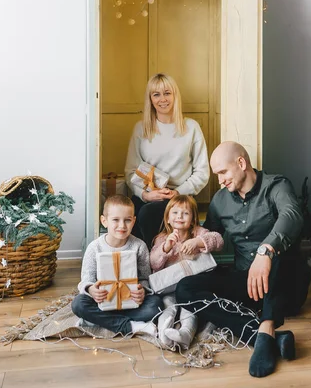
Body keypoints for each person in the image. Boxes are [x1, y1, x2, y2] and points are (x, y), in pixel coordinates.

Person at [175, 142, 310, 378]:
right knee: (185, 289)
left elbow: (292, 215)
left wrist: (265, 251)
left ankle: (268, 325)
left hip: (284, 285)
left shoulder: (277, 185)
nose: (220, 180)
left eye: (223, 172)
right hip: (247, 285)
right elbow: (209, 237)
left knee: (280, 254)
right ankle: (262, 337)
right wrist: (186, 238)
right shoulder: (220, 200)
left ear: (241, 163)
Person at [125, 73, 210, 248]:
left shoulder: (191, 127)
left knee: (147, 214)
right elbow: (130, 171)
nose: (162, 99)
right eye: (156, 94)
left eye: (167, 93)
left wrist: (177, 193)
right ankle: (142, 263)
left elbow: (202, 172)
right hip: (148, 193)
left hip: (180, 196)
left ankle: (158, 260)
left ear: (175, 95)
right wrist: (146, 195)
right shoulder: (141, 128)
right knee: (130, 212)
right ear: (150, 99)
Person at [71, 194, 162, 337]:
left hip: (130, 301)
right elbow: (86, 280)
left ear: (134, 221)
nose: (122, 225)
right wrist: (91, 289)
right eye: (115, 220)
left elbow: (145, 277)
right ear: (104, 221)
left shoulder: (139, 246)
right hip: (103, 301)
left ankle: (98, 320)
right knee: (78, 304)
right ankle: (130, 325)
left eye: (127, 220)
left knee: (155, 305)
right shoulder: (94, 248)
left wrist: (142, 290)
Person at [150, 194, 224, 349]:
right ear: (168, 218)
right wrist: (166, 248)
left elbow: (218, 240)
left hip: (192, 289)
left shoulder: (198, 233)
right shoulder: (162, 238)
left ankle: (185, 334)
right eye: (175, 213)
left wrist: (197, 242)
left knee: (189, 309)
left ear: (193, 218)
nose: (180, 217)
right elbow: (154, 264)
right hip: (169, 288)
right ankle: (164, 333)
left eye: (185, 213)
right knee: (168, 306)